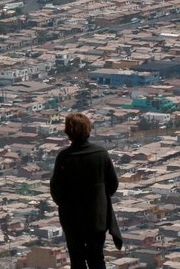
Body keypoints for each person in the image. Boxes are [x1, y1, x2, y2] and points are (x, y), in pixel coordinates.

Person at [49, 112, 121, 269]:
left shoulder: (64, 157)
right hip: (97, 217)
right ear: (88, 129)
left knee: (77, 259)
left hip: (72, 218)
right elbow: (113, 184)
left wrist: (67, 203)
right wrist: (99, 197)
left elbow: (56, 191)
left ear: (68, 132)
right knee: (96, 258)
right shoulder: (101, 154)